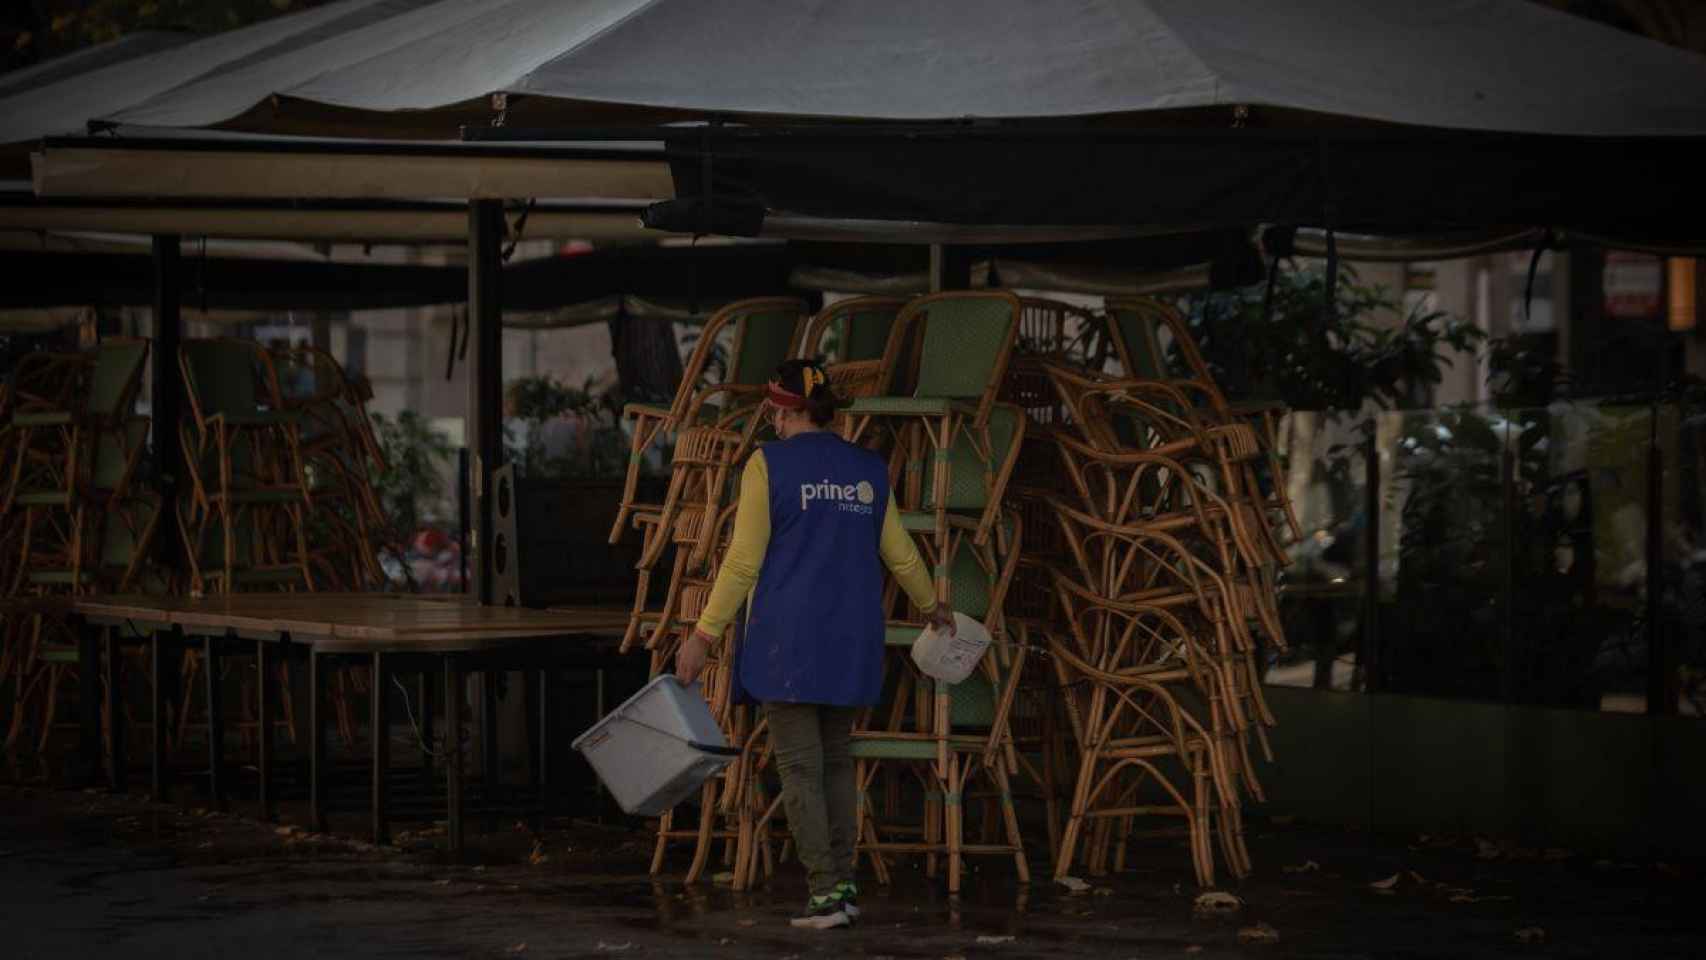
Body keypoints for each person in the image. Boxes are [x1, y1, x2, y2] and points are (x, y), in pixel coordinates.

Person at [675, 358, 952, 930]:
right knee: (835, 764)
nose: (772, 418)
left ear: (795, 409)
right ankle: (843, 888)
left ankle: (825, 895)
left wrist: (704, 633)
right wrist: (933, 606)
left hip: (788, 641)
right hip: (851, 638)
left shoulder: (766, 466)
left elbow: (743, 561)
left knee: (801, 769)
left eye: (777, 407)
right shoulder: (867, 469)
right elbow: (899, 553)